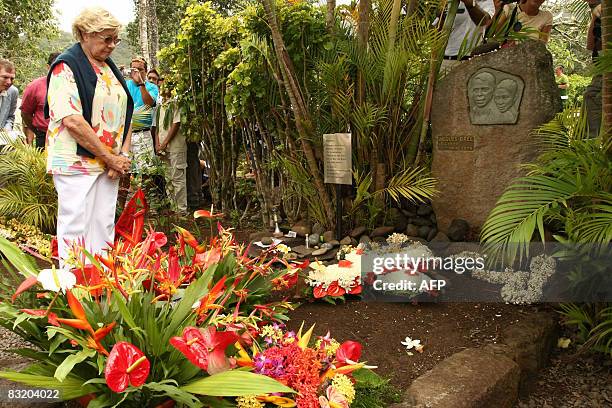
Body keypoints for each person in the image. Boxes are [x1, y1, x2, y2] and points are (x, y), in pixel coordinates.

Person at [44, 7, 133, 266]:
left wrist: (122, 156)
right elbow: (71, 120)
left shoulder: (108, 67)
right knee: (76, 228)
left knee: (103, 226)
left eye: (116, 39)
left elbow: (126, 110)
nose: (112, 45)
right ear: (84, 34)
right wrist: (109, 157)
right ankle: (74, 292)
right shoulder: (65, 66)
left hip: (108, 163)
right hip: (76, 162)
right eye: (106, 39)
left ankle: (101, 291)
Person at [153, 83, 187, 214]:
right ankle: (173, 208)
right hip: (162, 146)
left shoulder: (177, 102)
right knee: (168, 178)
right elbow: (156, 126)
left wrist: (165, 142)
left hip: (175, 146)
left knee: (177, 177)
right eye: (161, 85)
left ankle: (181, 211)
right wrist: (157, 144)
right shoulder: (160, 104)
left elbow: (176, 123)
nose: (163, 89)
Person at [442, 0, 499, 72]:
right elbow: (436, 31)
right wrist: (441, 14)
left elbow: (483, 21)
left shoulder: (486, 2)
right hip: (445, 60)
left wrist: (471, 4)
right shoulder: (450, 2)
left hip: (470, 60)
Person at [20, 52, 61, 148]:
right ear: (48, 67)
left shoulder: (72, 86)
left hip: (66, 137)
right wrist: (37, 131)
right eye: (55, 66)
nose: (59, 70)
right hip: (43, 135)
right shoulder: (35, 86)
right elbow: (25, 113)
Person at [127, 57, 159, 173]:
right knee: (125, 173)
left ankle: (145, 192)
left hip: (143, 135)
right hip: (126, 136)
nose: (136, 72)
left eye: (140, 69)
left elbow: (149, 103)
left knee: (146, 174)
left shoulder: (152, 87)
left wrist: (141, 83)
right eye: (133, 69)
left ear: (145, 71)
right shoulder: (125, 85)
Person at [0, 59, 18, 133]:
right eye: (5, 77)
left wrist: (8, 128)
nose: (9, 82)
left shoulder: (13, 92)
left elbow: (10, 116)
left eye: (12, 78)